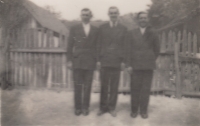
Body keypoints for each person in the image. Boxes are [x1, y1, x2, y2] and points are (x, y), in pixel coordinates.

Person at [126, 11, 160, 119]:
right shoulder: (132, 33)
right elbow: (128, 50)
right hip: (135, 66)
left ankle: (144, 111)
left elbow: (157, 49)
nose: (143, 20)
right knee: (135, 89)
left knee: (145, 89)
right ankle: (134, 110)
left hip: (147, 66)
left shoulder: (153, 33)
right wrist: (129, 65)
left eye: (145, 18)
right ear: (138, 20)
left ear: (147, 19)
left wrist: (149, 59)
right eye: (141, 18)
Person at [67, 8, 99, 116]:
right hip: (78, 61)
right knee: (78, 85)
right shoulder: (74, 28)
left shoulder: (95, 30)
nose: (85, 16)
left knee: (88, 86)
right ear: (80, 16)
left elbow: (98, 46)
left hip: (90, 61)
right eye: (83, 15)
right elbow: (70, 45)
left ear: (90, 16)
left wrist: (97, 60)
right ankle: (78, 107)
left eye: (87, 15)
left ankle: (85, 107)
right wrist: (69, 60)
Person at [97, 6, 127, 117]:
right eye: (111, 13)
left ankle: (112, 108)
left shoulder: (123, 29)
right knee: (104, 86)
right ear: (108, 14)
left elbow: (125, 46)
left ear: (118, 14)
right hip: (105, 60)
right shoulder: (102, 28)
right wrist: (98, 60)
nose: (113, 15)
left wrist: (123, 61)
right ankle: (103, 107)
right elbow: (98, 45)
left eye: (115, 13)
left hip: (116, 61)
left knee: (114, 86)